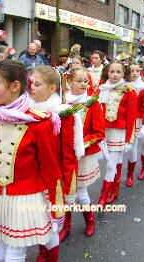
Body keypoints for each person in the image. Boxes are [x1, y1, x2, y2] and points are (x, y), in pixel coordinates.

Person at [0, 60, 65, 262]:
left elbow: (51, 170)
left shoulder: (41, 123)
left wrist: (57, 209)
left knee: (14, 255)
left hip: (26, 199)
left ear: (14, 86)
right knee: (0, 255)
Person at [30, 66, 84, 247]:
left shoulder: (63, 115)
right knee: (37, 222)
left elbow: (68, 155)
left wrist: (68, 189)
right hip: (32, 179)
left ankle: (49, 251)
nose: (31, 87)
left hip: (53, 180)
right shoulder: (26, 111)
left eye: (37, 84)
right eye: (30, 82)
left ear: (52, 88)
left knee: (49, 222)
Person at [66, 67, 105, 237]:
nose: (83, 84)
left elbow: (99, 133)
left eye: (86, 81)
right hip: (65, 157)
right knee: (66, 193)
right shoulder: (62, 103)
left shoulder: (92, 103)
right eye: (79, 80)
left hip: (83, 156)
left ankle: (90, 219)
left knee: (81, 194)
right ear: (69, 82)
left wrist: (80, 144)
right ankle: (65, 226)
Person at [98, 61, 137, 206]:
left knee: (110, 165)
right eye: (112, 71)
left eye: (118, 72)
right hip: (104, 132)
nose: (114, 74)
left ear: (123, 73)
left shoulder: (129, 91)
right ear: (107, 72)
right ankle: (114, 189)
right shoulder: (102, 89)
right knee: (116, 163)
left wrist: (129, 140)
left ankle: (103, 196)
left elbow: (132, 118)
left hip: (119, 133)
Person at [122, 63, 144, 187]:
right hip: (123, 121)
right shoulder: (122, 86)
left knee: (133, 147)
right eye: (132, 71)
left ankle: (130, 175)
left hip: (136, 121)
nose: (134, 73)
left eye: (137, 71)